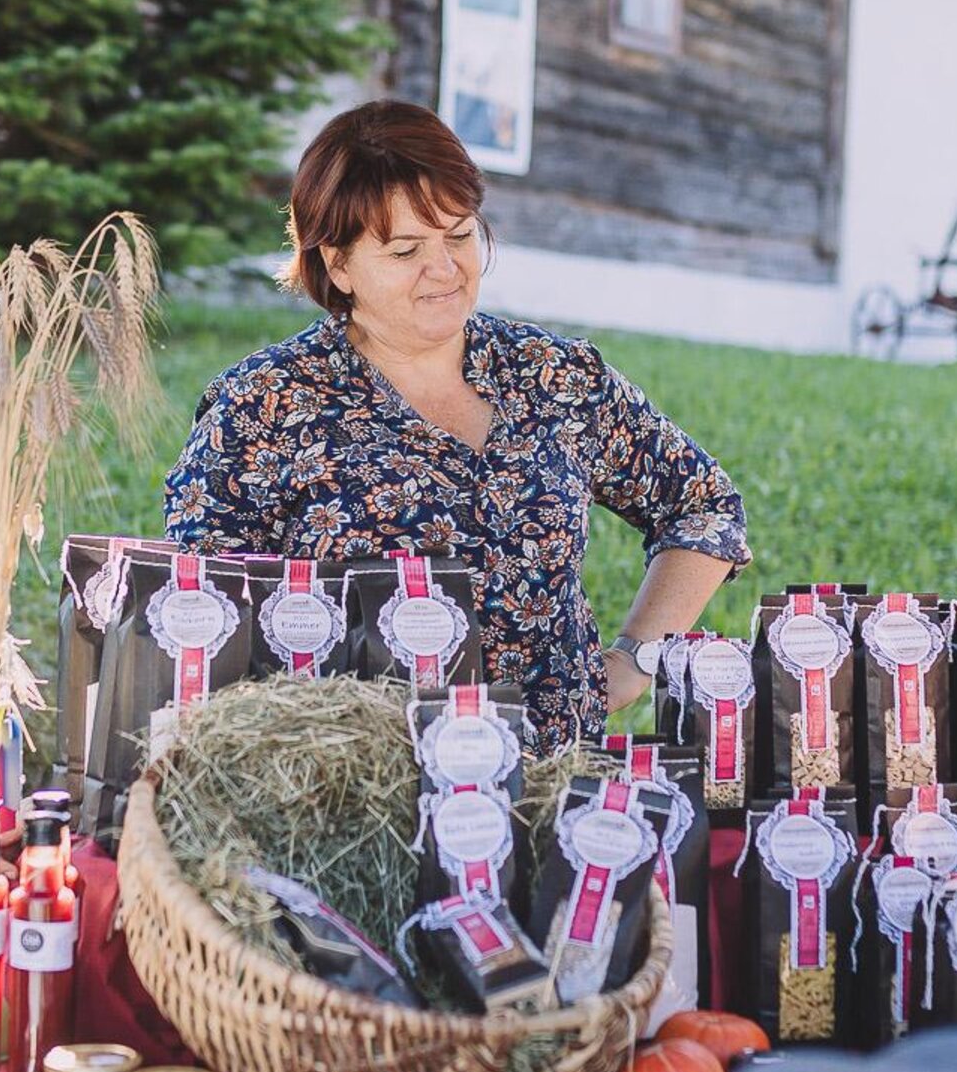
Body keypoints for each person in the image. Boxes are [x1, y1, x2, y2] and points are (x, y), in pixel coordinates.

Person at [162, 100, 750, 749]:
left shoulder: (552, 375)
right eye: (406, 249)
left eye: (460, 234)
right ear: (337, 264)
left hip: (554, 794)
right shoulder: (262, 406)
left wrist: (638, 658)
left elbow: (702, 504)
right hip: (363, 806)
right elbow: (199, 619)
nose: (444, 269)